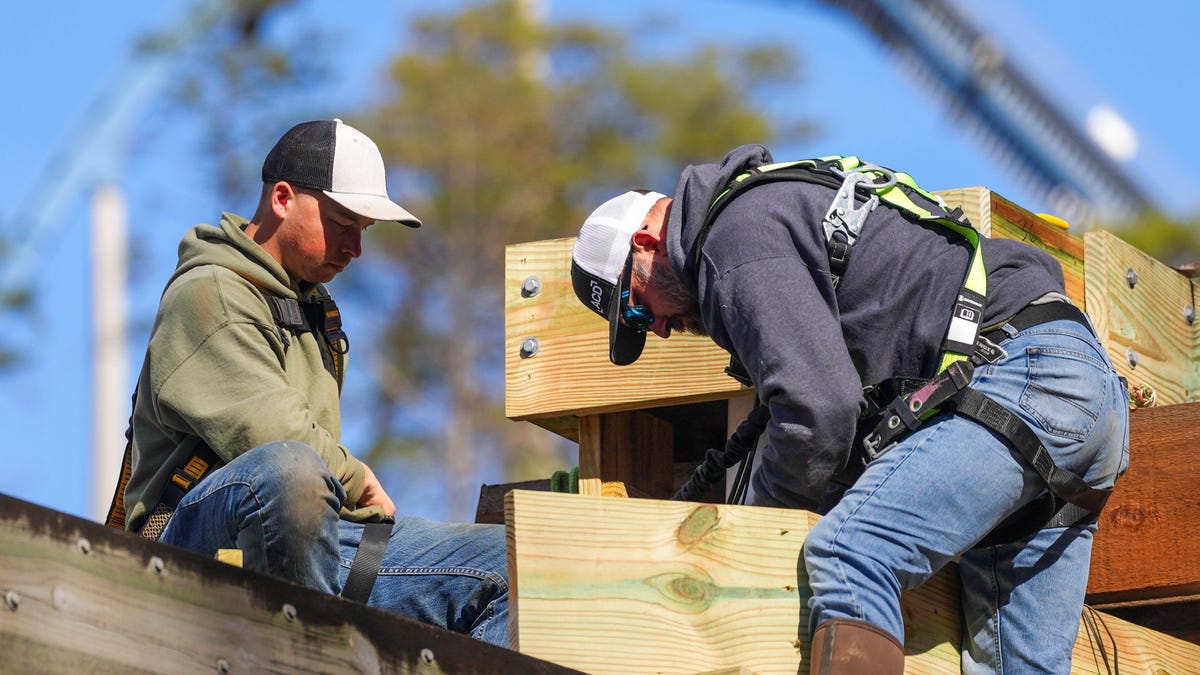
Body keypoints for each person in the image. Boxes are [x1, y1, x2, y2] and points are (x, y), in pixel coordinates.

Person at [569, 145, 1128, 673]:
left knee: (847, 554)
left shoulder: (733, 236)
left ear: (645, 241)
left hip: (1021, 379)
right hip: (1075, 392)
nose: (662, 329)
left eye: (638, 311)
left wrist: (758, 543)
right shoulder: (774, 207)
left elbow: (818, 411)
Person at [120, 119, 509, 646]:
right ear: (282, 198)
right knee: (289, 470)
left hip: (312, 535)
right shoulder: (209, 294)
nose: (355, 247)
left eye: (364, 231)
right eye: (343, 223)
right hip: (195, 539)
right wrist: (361, 480)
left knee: (508, 563)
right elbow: (274, 435)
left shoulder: (308, 306)